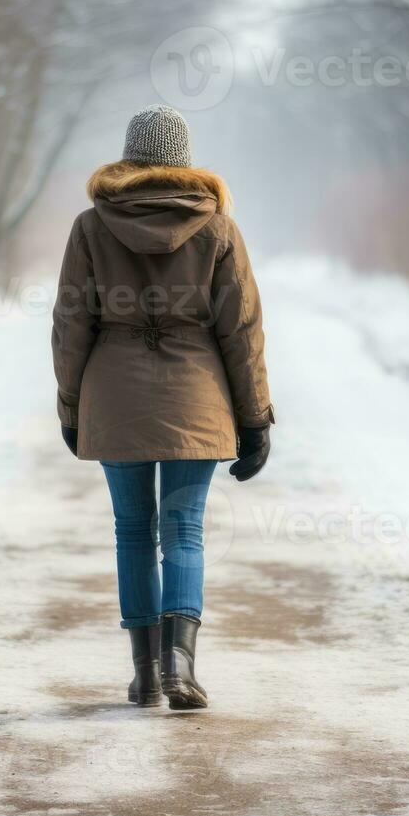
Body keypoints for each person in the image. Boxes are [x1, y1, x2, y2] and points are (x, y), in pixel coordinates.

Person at [51, 105, 274, 710]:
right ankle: (181, 667)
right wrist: (255, 418)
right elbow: (241, 329)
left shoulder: (91, 226)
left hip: (114, 393)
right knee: (184, 531)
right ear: (184, 159)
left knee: (131, 530)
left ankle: (146, 673)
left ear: (129, 157)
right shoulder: (218, 228)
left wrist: (72, 408)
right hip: (196, 395)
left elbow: (72, 323)